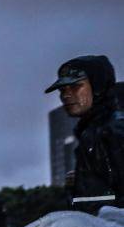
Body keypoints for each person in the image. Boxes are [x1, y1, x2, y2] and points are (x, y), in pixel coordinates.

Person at [44, 55, 124, 213]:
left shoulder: (113, 131)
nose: (65, 95)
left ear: (98, 86)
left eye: (75, 87)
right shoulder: (92, 132)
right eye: (62, 90)